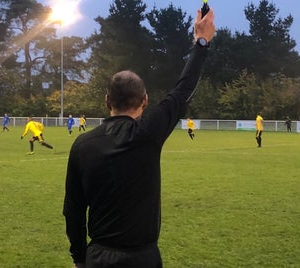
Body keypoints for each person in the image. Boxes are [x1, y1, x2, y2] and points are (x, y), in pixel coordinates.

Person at [63, 8, 215, 268]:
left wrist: (79, 258)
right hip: (143, 259)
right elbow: (182, 90)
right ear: (145, 101)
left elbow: (73, 211)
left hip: (98, 258)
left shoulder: (82, 145)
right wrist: (201, 43)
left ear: (107, 100)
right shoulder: (147, 134)